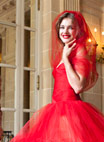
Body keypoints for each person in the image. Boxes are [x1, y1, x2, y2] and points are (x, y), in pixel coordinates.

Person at [10, 11, 104, 142]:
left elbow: (78, 86)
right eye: (62, 27)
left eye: (71, 27)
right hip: (56, 109)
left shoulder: (79, 50)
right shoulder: (66, 50)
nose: (65, 31)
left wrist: (65, 58)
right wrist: (65, 55)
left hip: (71, 110)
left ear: (78, 30)